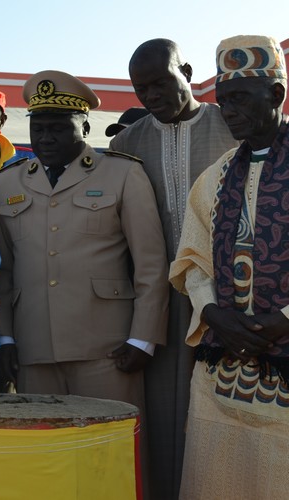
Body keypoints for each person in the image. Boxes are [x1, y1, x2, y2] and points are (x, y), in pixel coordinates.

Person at [0, 69, 168, 420]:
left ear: (85, 128)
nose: (46, 138)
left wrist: (143, 339)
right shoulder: (7, 183)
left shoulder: (122, 174)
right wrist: (5, 339)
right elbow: (3, 271)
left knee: (110, 445)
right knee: (44, 448)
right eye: (38, 128)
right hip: (32, 349)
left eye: (59, 128)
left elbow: (151, 264)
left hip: (108, 349)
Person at [109, 38, 240, 499]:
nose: (151, 96)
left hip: (228, 296)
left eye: (161, 83)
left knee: (224, 404)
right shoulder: (127, 142)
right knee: (163, 408)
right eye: (140, 88)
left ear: (186, 71)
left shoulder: (232, 124)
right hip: (158, 299)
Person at [169, 35, 289, 499]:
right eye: (223, 101)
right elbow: (193, 259)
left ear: (276, 95)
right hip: (223, 376)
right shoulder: (216, 176)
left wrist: (283, 319)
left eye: (239, 98)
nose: (228, 111)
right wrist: (214, 313)